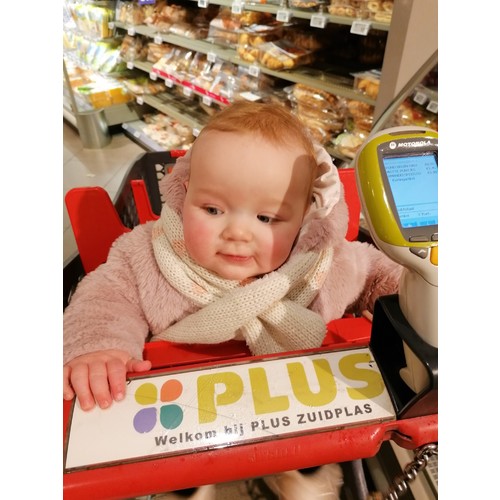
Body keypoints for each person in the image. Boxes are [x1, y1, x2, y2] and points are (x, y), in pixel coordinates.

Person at [63, 101, 402, 499]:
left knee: (310, 474)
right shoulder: (152, 255)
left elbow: (378, 273)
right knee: (174, 477)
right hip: (181, 416)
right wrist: (100, 346)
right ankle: (190, 485)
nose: (237, 233)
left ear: (305, 218)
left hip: (297, 410)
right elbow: (106, 297)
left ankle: (295, 470)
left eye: (266, 218)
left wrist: (415, 303)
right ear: (183, 193)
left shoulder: (322, 264)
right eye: (212, 209)